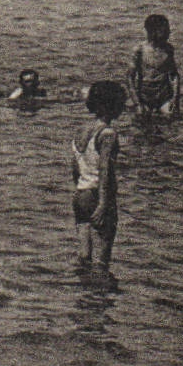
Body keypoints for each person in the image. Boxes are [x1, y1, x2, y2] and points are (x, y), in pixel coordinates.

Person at [72, 80, 127, 270]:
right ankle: (99, 297)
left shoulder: (80, 131)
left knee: (83, 256)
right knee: (100, 262)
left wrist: (81, 189)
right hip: (97, 194)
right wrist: (104, 204)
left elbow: (75, 168)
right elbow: (105, 171)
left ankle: (82, 295)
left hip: (81, 194)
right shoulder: (108, 134)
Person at [128, 13, 180, 116]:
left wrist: (175, 99)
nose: (169, 32)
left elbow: (174, 76)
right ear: (154, 32)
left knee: (172, 119)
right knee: (141, 122)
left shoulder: (168, 49)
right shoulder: (140, 50)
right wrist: (137, 103)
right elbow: (130, 77)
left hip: (164, 98)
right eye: (166, 30)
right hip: (144, 98)